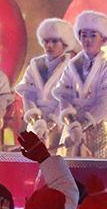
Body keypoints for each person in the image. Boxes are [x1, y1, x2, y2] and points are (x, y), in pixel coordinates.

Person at [50, 12, 107, 159]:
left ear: (103, 39)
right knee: (69, 169)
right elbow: (64, 98)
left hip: (100, 128)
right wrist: (72, 125)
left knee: (101, 170)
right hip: (73, 127)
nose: (87, 40)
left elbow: (105, 102)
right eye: (84, 35)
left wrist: (83, 125)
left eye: (93, 36)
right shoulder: (71, 67)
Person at [15, 19, 73, 152]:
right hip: (35, 124)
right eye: (46, 41)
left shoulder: (71, 68)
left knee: (58, 160)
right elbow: (28, 96)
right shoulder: (34, 66)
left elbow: (67, 100)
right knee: (33, 159)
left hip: (60, 126)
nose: (49, 45)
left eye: (54, 41)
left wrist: (52, 123)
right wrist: (37, 122)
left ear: (64, 44)